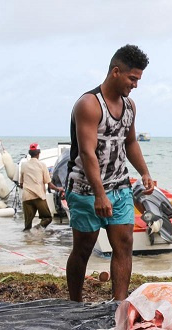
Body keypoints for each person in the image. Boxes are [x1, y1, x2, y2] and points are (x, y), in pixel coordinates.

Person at [65, 44, 154, 302]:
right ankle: (75, 303)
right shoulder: (89, 105)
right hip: (86, 190)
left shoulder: (130, 106)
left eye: (138, 79)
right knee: (83, 248)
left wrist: (145, 172)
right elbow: (87, 153)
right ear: (116, 71)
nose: (136, 84)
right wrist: (99, 195)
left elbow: (131, 142)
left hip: (120, 187)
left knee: (124, 244)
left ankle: (119, 305)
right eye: (132, 78)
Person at [19, 143, 65, 231]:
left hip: (26, 197)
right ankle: (37, 230)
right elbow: (50, 185)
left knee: (27, 225)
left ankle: (27, 239)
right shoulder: (42, 165)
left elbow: (21, 184)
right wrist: (58, 188)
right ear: (38, 153)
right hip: (39, 196)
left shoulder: (23, 165)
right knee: (47, 218)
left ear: (30, 153)